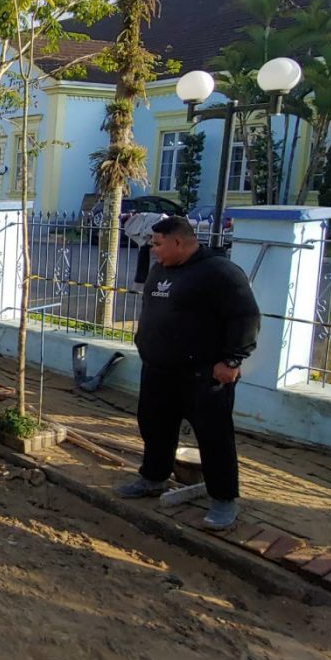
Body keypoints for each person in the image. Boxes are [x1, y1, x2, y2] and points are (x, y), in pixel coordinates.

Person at [115, 215, 260, 530]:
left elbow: (245, 317)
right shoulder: (160, 270)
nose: (153, 249)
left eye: (158, 243)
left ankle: (223, 501)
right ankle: (153, 478)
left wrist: (231, 361)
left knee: (214, 436)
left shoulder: (219, 273)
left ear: (178, 242)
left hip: (203, 375)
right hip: (158, 369)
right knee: (155, 427)